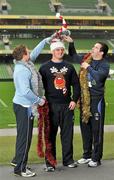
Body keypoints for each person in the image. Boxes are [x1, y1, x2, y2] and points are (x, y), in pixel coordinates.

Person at [64, 36, 110, 167]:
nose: (93, 48)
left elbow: (99, 77)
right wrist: (71, 43)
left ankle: (96, 158)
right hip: (84, 99)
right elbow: (73, 55)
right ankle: (87, 155)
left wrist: (88, 67)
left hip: (96, 101)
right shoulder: (87, 58)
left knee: (97, 130)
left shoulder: (104, 65)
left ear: (101, 52)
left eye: (96, 47)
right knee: (85, 128)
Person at [11, 37, 51, 177]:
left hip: (21, 105)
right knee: (25, 138)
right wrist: (39, 100)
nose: (30, 53)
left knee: (22, 137)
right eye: (27, 52)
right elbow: (25, 91)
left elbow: (35, 53)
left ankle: (17, 161)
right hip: (25, 106)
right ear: (23, 56)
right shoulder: (23, 71)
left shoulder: (24, 64)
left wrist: (45, 41)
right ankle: (20, 169)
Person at [39, 38, 80, 172]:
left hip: (67, 106)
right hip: (50, 106)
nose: (60, 51)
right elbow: (39, 86)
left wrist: (74, 99)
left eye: (62, 49)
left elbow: (76, 84)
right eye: (57, 49)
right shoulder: (44, 67)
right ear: (52, 51)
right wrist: (41, 99)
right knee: (50, 135)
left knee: (67, 135)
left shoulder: (69, 67)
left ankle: (68, 160)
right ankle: (50, 163)